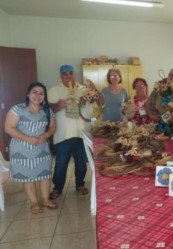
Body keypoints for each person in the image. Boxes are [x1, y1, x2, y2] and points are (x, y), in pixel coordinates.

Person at [48, 64, 104, 199]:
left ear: (74, 75)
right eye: (65, 74)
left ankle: (80, 184)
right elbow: (48, 110)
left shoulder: (85, 90)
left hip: (82, 133)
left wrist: (95, 89)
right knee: (61, 163)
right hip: (63, 134)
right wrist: (57, 105)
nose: (68, 76)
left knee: (81, 163)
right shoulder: (54, 91)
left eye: (70, 73)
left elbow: (101, 103)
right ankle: (57, 187)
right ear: (61, 76)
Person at [4, 82, 58, 214]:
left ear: (44, 96)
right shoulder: (18, 109)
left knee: (45, 174)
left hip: (42, 147)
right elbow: (8, 128)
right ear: (28, 94)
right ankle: (34, 202)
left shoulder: (47, 110)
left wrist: (45, 136)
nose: (38, 96)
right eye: (34, 92)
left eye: (41, 93)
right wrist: (28, 138)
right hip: (21, 149)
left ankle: (45, 199)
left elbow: (53, 127)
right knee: (28, 176)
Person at [145, 68, 173, 136]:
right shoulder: (160, 88)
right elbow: (147, 103)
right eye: (171, 75)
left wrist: (169, 118)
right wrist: (151, 115)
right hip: (158, 126)